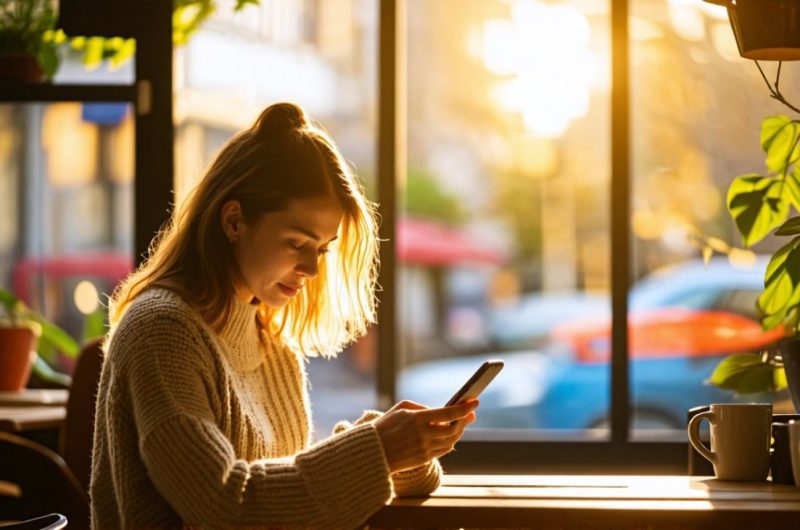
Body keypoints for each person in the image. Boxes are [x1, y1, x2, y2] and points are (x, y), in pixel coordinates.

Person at [90, 102, 479, 529]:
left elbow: (283, 494)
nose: (312, 270)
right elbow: (226, 507)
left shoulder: (269, 338)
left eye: (322, 249)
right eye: (297, 242)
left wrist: (403, 451)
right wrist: (379, 450)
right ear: (234, 220)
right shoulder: (162, 331)